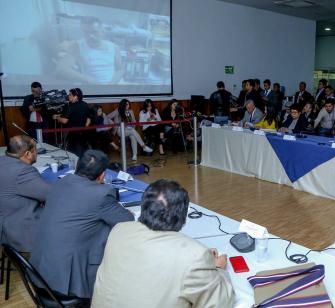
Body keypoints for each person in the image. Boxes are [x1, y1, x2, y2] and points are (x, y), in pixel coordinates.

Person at [91, 180, 235, 307]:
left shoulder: (119, 230)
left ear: (143, 207)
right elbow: (219, 303)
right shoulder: (195, 256)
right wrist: (218, 269)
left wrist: (200, 263)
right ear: (183, 219)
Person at [30, 150, 134, 299]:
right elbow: (127, 220)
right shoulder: (100, 194)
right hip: (67, 284)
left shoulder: (60, 182)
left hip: (39, 273)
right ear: (102, 175)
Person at [0, 135, 51, 252]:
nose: (37, 152)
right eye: (35, 149)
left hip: (5, 222)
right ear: (28, 154)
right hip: (20, 231)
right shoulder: (22, 171)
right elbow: (50, 194)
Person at [56, 17, 123, 84]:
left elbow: (120, 70)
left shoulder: (114, 47)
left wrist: (111, 84)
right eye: (86, 32)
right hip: (91, 86)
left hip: (113, 84)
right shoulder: (77, 46)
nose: (90, 36)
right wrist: (86, 79)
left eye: (95, 32)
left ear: (102, 31)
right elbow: (61, 69)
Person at [52, 88, 90, 157]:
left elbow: (64, 120)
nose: (68, 96)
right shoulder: (85, 105)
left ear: (76, 96)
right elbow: (88, 118)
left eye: (70, 95)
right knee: (83, 152)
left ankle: (76, 166)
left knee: (72, 153)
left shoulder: (71, 106)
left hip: (74, 134)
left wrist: (57, 117)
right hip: (84, 133)